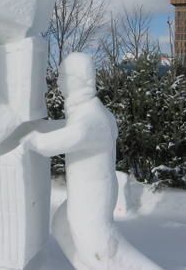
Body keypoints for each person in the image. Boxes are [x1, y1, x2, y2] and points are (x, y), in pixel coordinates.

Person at [22, 52, 163, 270]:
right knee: (62, 224)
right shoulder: (88, 114)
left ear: (78, 80)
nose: (58, 82)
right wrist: (32, 128)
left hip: (92, 198)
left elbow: (47, 144)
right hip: (87, 194)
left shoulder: (91, 119)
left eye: (62, 76)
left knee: (101, 250)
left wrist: (22, 137)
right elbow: (61, 129)